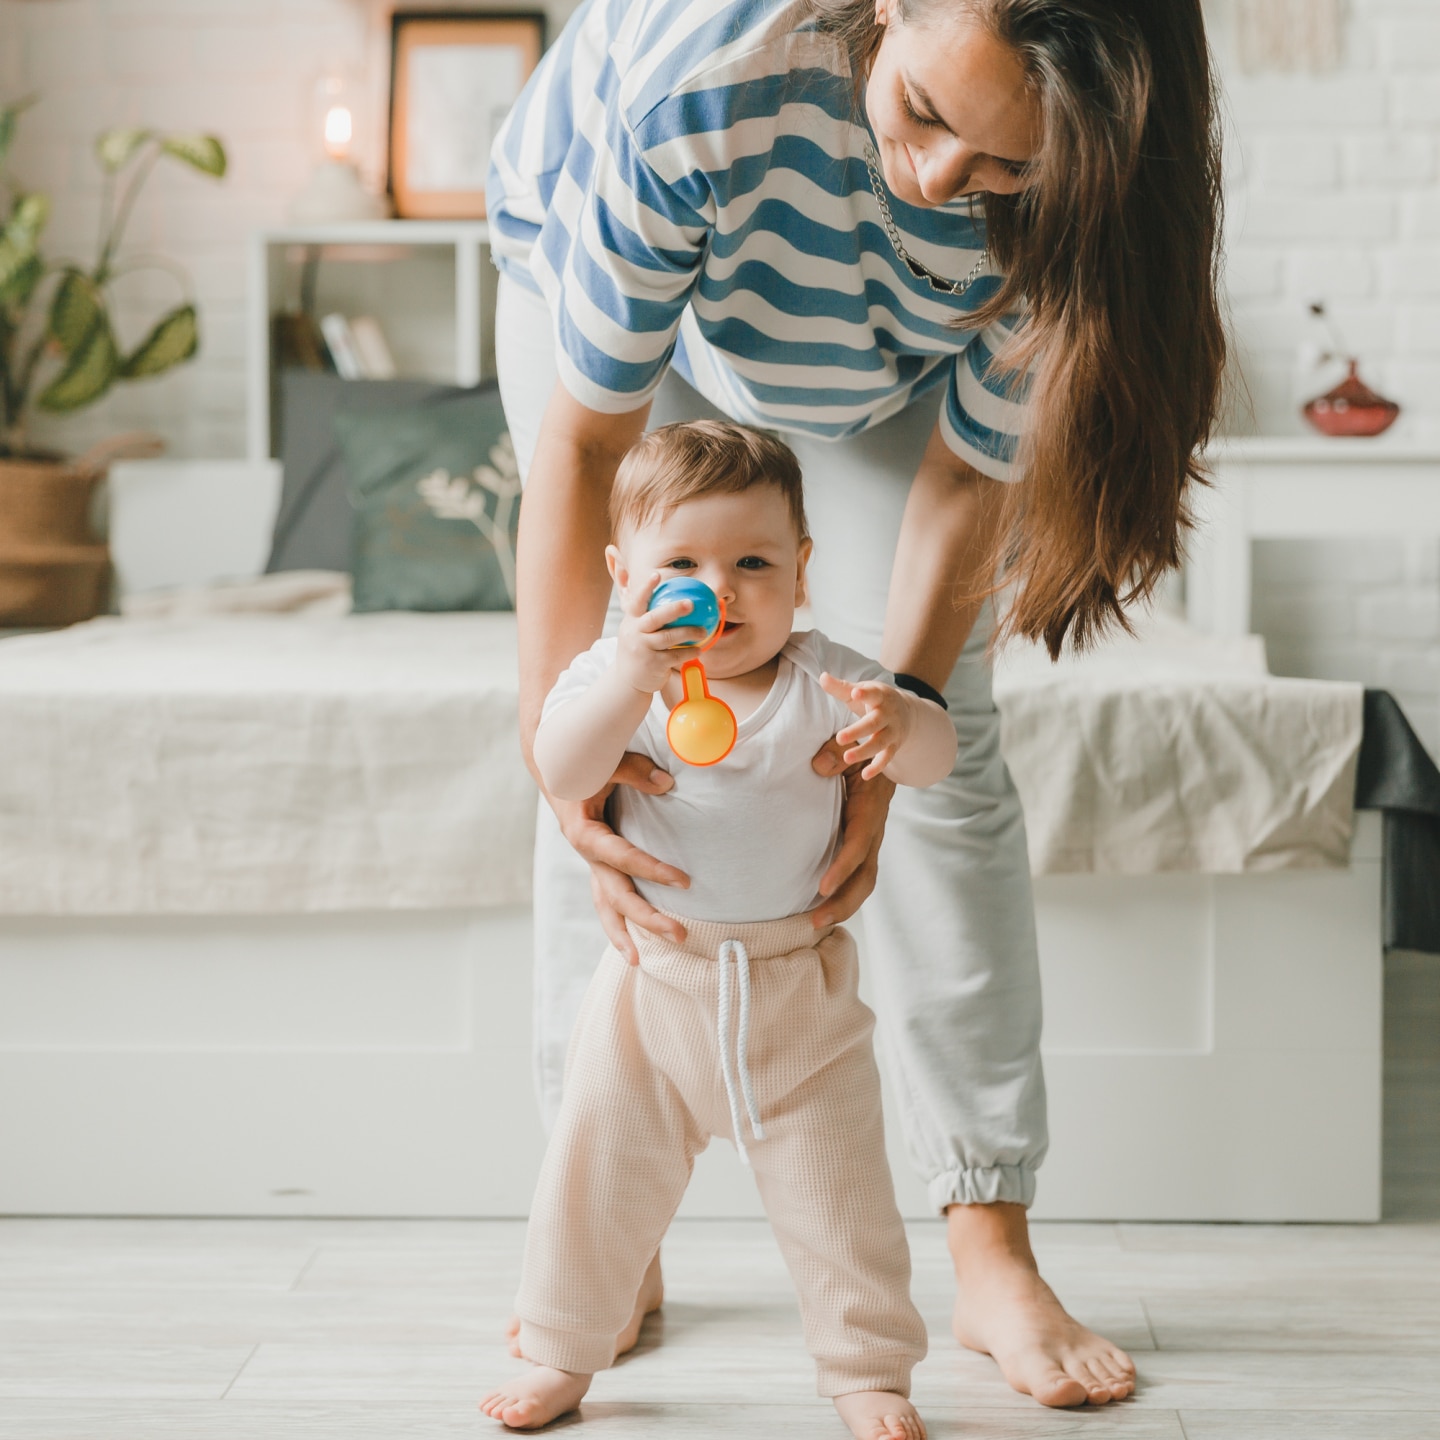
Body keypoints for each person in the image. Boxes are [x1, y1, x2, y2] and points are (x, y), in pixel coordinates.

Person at [488, 0, 1224, 1409]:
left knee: (950, 726)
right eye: (933, 118)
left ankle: (990, 1235)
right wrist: (565, 769)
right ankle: (597, 1240)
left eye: (1003, 170)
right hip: (628, 286)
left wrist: (888, 745)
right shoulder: (701, 89)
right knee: (599, 718)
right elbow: (584, 449)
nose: (945, 180)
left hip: (896, 351)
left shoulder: (1087, 185)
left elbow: (965, 484)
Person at [482, 421, 955, 1438]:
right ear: (623, 576)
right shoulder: (619, 687)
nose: (722, 592)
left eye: (753, 563)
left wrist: (904, 724)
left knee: (843, 1204)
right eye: (683, 566)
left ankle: (869, 1369)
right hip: (656, 990)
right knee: (594, 1180)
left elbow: (934, 757)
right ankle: (567, 1350)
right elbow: (562, 771)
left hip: (800, 992)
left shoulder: (829, 684)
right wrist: (626, 678)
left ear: (802, 571)